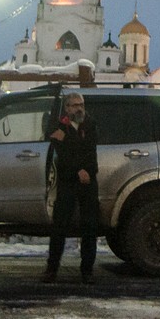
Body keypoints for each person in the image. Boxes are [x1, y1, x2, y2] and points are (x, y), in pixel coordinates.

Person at [42, 91, 99, 284]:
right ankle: (52, 269)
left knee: (90, 227)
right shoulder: (59, 127)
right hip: (68, 181)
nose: (79, 108)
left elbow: (90, 151)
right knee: (60, 226)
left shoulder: (90, 125)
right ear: (67, 108)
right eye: (75, 105)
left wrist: (86, 170)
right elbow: (63, 154)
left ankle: (87, 271)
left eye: (81, 104)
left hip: (88, 180)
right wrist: (78, 170)